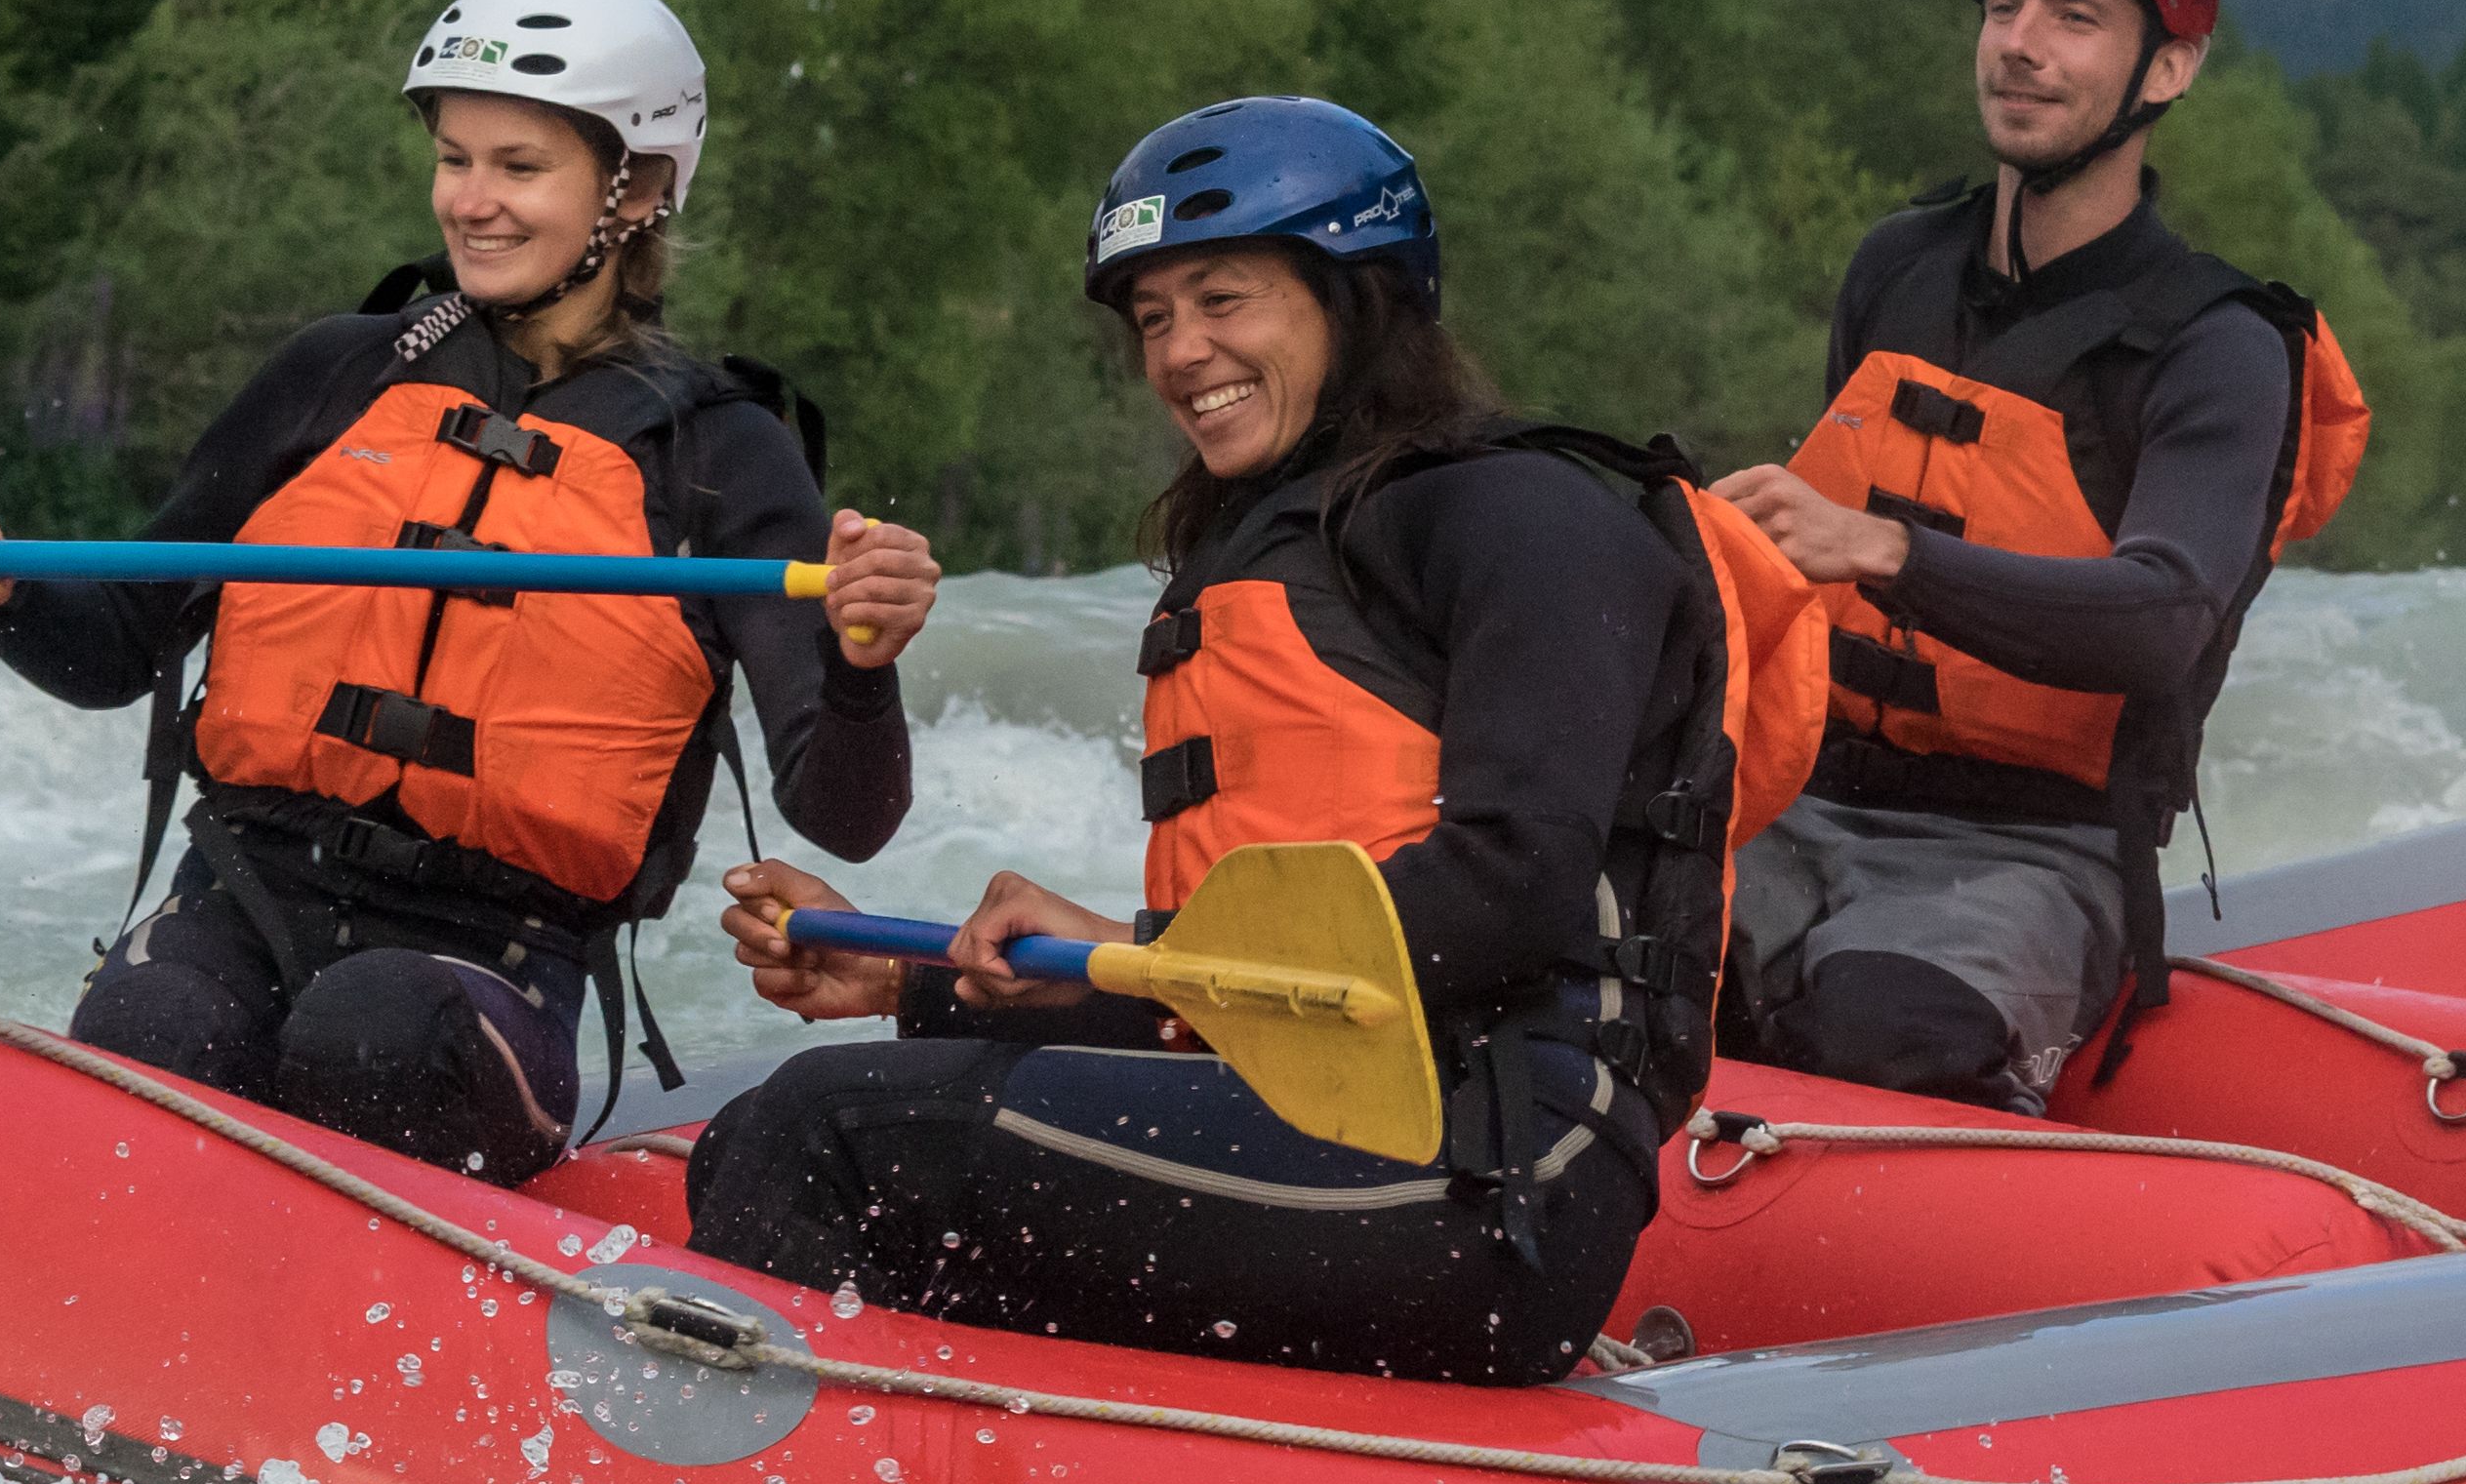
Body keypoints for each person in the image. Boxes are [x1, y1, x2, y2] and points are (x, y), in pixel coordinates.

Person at [691, 99, 1782, 1386]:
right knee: (759, 1132)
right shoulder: (1282, 543)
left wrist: (1145, 960)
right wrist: (914, 983)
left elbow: (1512, 887)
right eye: (1153, 317)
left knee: (827, 1135)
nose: (1180, 351)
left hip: (1494, 1168)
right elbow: (1288, 1002)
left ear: (1351, 295)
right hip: (1337, 1123)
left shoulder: (1522, 516)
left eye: (1225, 300)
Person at [0, 0, 940, 1184]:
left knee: (374, 1032)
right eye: (454, 158)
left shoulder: (721, 453)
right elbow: (121, 645)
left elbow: (847, 816)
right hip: (239, 900)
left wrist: (863, 665)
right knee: (154, 1030)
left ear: (637, 188)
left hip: (490, 960)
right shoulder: (341, 374)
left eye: (518, 166)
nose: (471, 202)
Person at [1704, 0, 2366, 1111]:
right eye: (2005, 6)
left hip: (2030, 850)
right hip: (1801, 800)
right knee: (1600, 957)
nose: (2022, 44)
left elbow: (2156, 623)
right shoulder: (1898, 267)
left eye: (2075, 17)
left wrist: (1882, 547)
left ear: (2166, 69)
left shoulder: (2218, 346)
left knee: (1883, 1027)